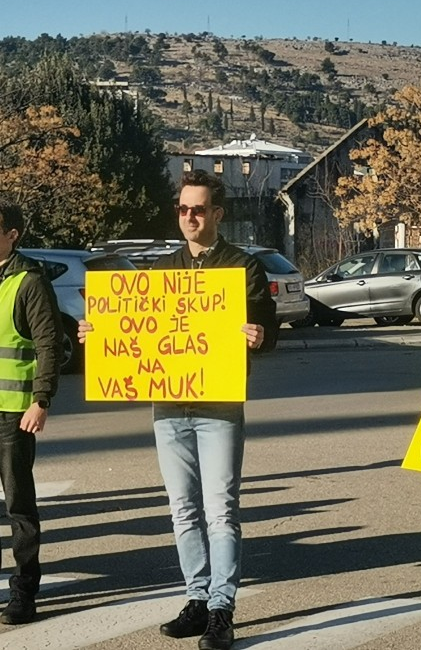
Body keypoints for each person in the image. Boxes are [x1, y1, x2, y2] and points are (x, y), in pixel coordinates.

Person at [79, 170, 277, 650]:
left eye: (200, 209)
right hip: (168, 405)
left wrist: (260, 335)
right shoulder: (162, 269)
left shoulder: (242, 267)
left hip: (218, 406)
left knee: (220, 511)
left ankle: (221, 608)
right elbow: (140, 329)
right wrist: (97, 334)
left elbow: (267, 330)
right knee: (183, 510)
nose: (190, 216)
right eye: (183, 208)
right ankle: (195, 597)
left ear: (218, 214)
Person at [0, 199, 63, 625]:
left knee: (19, 505)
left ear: (12, 235)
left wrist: (41, 400)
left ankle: (24, 591)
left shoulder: (29, 280)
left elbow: (48, 345)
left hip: (13, 413)